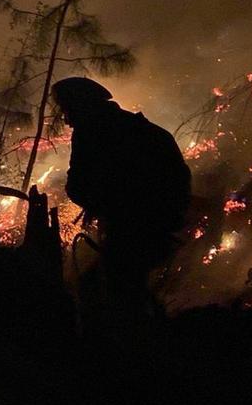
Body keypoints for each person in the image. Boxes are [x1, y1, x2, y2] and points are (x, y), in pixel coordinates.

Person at [52, 76, 192, 313]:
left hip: (133, 228)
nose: (66, 121)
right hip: (161, 226)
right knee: (123, 289)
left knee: (105, 292)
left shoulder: (92, 132)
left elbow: (78, 185)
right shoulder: (144, 130)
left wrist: (100, 205)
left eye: (67, 110)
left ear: (81, 106)